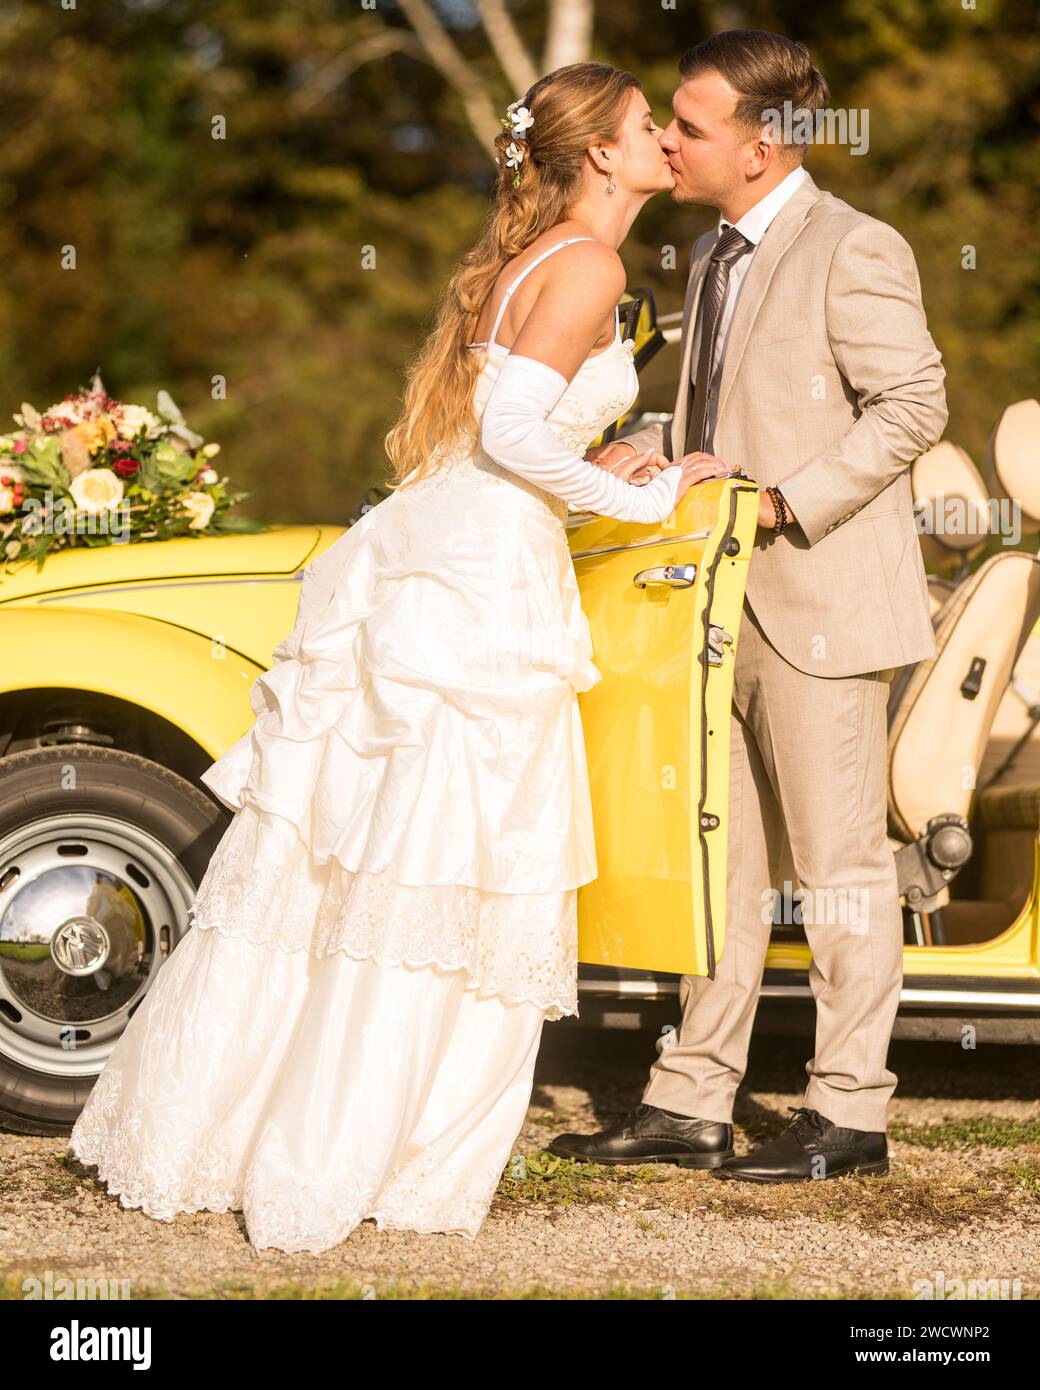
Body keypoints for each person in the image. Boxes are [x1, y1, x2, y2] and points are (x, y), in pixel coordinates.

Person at [66, 62, 732, 1253]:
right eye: (645, 128)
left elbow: (506, 443)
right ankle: (360, 1151)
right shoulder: (588, 263)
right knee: (442, 874)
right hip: (478, 593)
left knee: (356, 872)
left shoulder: (527, 260)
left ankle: (242, 1126)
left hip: (447, 549)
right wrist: (640, 500)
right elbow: (516, 432)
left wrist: (608, 470)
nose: (665, 145)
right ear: (597, 156)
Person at [551, 30, 947, 1182]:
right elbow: (724, 418)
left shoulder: (852, 245)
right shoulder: (707, 252)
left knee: (836, 871)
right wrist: (641, 448)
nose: (667, 140)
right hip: (711, 608)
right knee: (712, 863)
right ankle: (688, 1099)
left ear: (761, 146)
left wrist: (783, 504)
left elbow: (911, 404)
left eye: (688, 125)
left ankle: (849, 1115)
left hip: (819, 604)